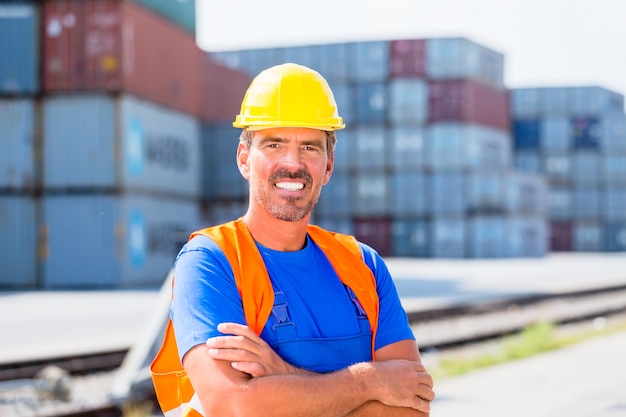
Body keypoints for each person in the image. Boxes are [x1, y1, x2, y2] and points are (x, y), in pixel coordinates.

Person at [151, 63, 434, 416]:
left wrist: (282, 375)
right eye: (274, 144)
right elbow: (234, 406)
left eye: (310, 148)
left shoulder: (363, 264)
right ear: (244, 159)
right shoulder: (212, 261)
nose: (293, 163)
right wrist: (369, 382)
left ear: (328, 166)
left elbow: (413, 404)